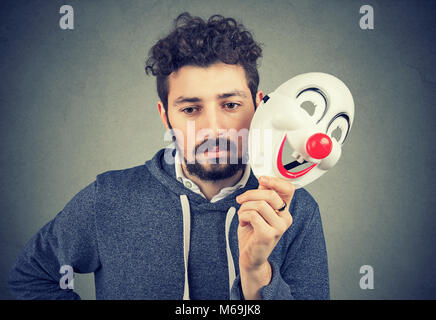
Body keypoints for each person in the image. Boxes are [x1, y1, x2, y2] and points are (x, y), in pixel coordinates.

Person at [8, 12, 329, 300]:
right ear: (165, 116)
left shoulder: (295, 209)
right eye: (191, 109)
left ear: (260, 106)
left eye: (230, 105)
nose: (213, 128)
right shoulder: (108, 198)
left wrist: (258, 273)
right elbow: (31, 277)